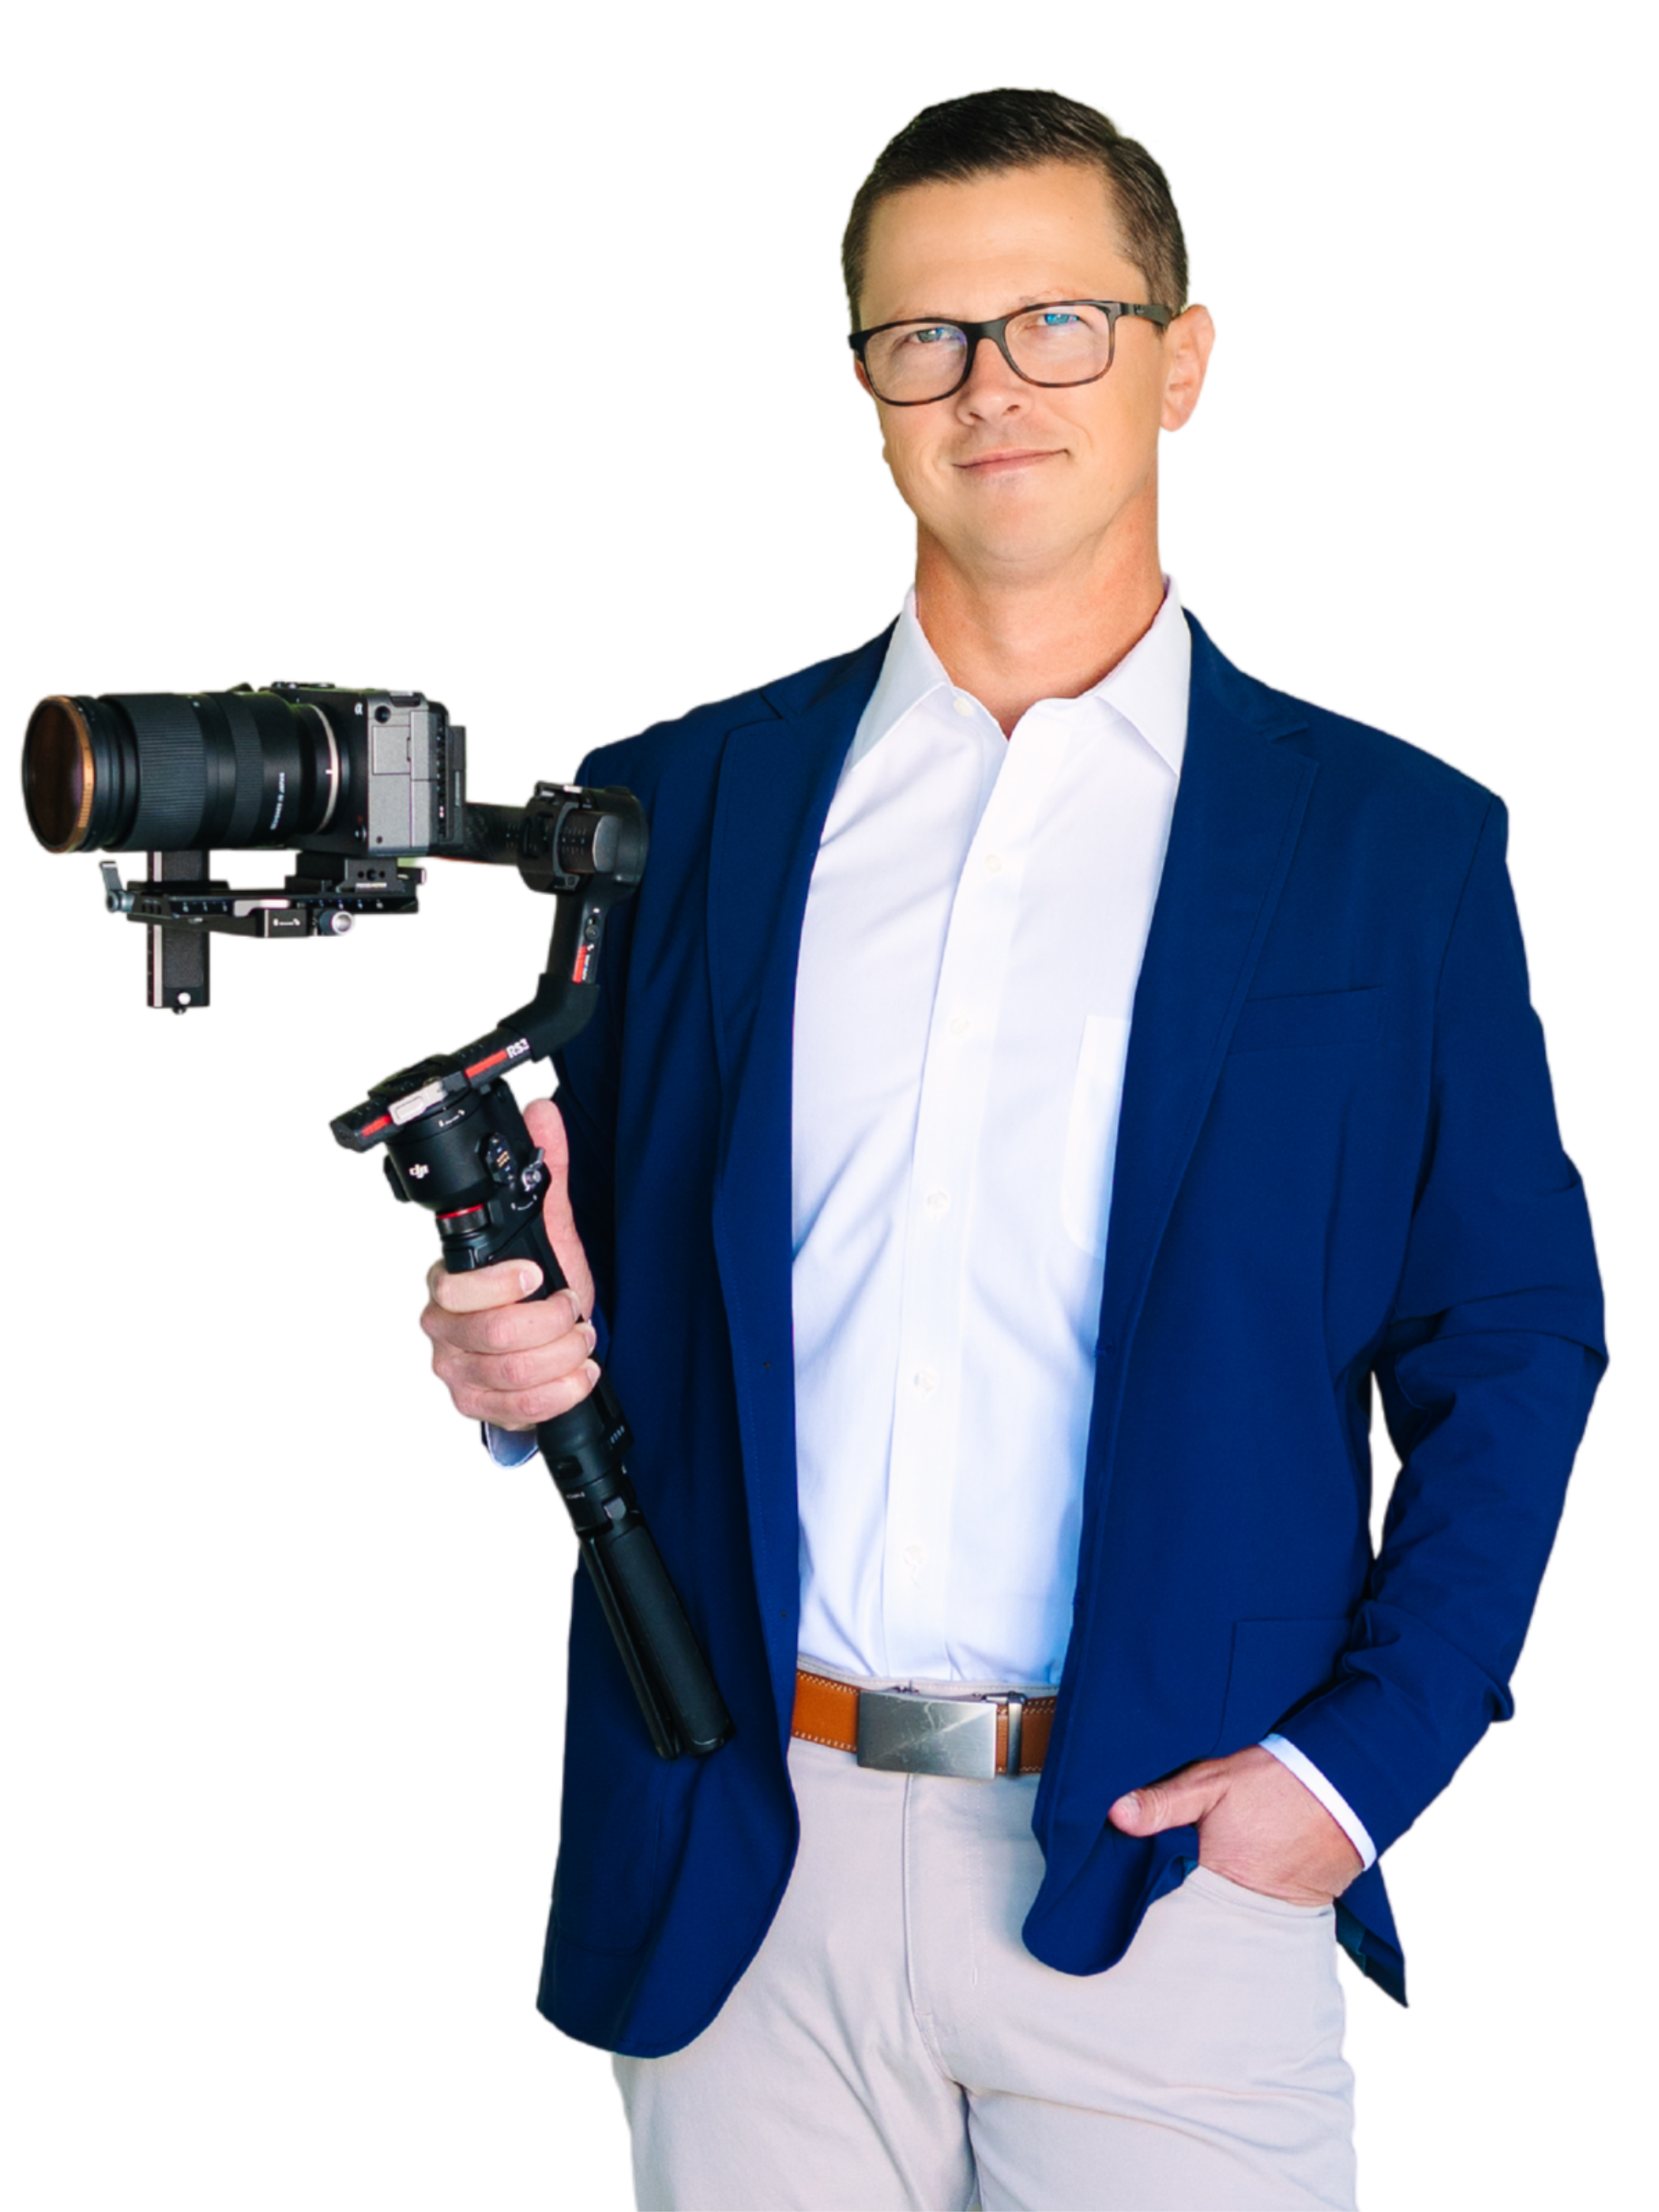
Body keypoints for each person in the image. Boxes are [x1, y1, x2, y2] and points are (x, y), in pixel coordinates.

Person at [417, 87, 1609, 2212]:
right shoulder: (672, 812)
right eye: (924, 339)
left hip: (1174, 1860)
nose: (991, 390)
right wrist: (494, 1346)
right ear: (864, 395)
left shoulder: (1383, 842)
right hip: (743, 1857)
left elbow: (1505, 1337)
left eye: (1056, 321)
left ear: (1178, 355)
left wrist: (1352, 1776)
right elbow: (589, 1263)